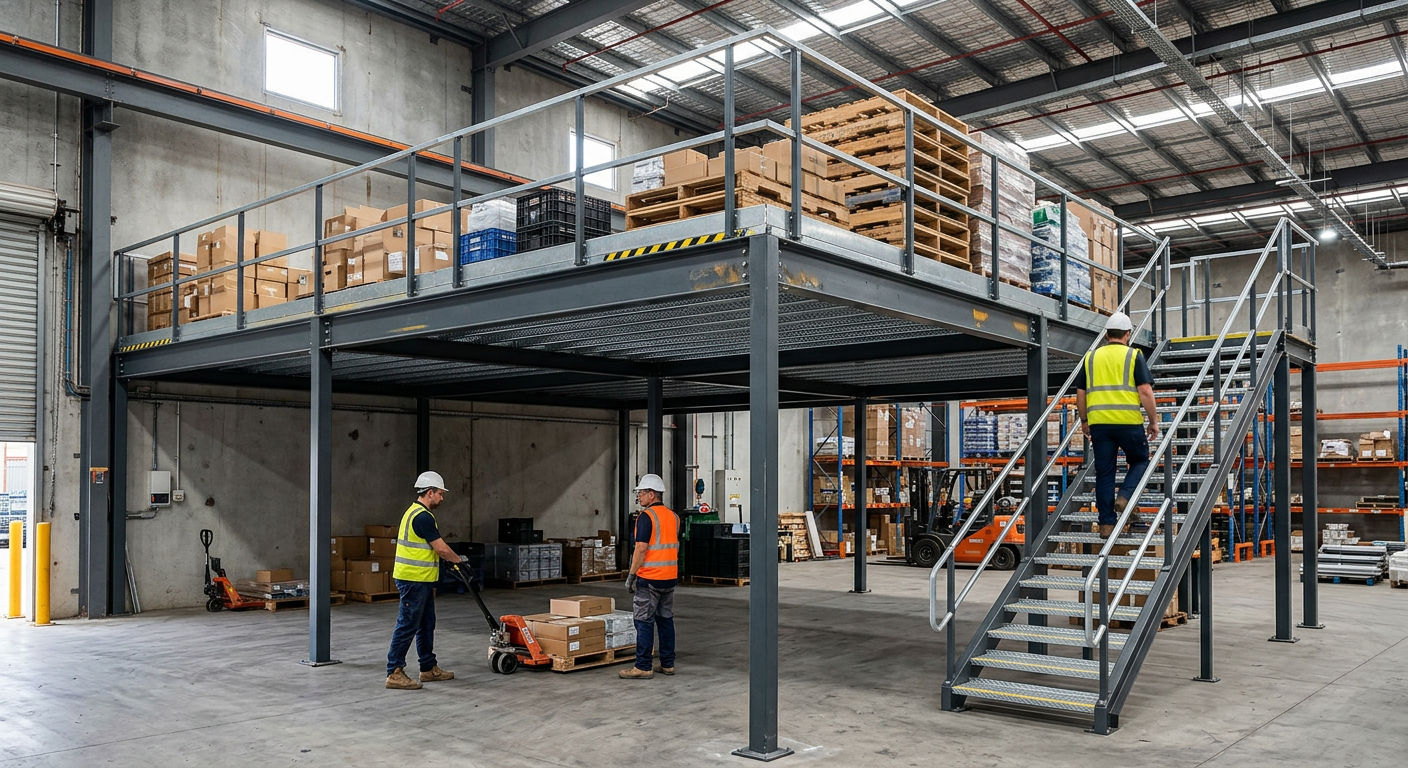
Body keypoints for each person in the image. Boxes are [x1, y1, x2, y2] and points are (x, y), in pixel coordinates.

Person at [1075, 312, 1160, 540]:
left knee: (1104, 474)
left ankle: (1106, 525)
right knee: (1140, 460)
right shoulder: (1134, 356)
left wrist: (1084, 421)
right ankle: (1124, 496)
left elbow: (1080, 393)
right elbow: (1145, 391)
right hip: (1128, 423)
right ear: (1128, 334)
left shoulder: (1091, 358)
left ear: (1106, 334)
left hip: (1100, 425)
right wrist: (1153, 421)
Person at [385, 471, 468, 690]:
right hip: (413, 581)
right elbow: (440, 547)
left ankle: (428, 668)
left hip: (420, 581)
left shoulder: (415, 512)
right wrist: (459, 561)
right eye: (440, 493)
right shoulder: (421, 517)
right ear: (429, 493)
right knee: (407, 624)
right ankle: (394, 671)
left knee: (426, 624)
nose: (442, 498)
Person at [620, 473, 678, 680]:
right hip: (669, 578)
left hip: (650, 578)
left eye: (641, 493)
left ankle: (643, 666)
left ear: (652, 494)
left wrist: (631, 575)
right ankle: (668, 664)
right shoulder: (674, 517)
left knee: (643, 621)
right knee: (665, 620)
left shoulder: (646, 517)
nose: (639, 497)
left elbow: (641, 549)